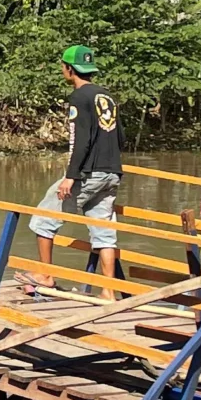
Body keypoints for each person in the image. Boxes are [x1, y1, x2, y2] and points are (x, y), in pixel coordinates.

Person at [30, 43, 121, 280]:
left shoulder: (79, 97)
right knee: (104, 235)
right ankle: (108, 291)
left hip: (89, 173)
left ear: (69, 69)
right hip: (111, 173)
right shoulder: (107, 96)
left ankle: (46, 277)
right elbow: (119, 136)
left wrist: (71, 177)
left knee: (42, 220)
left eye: (63, 66)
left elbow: (81, 140)